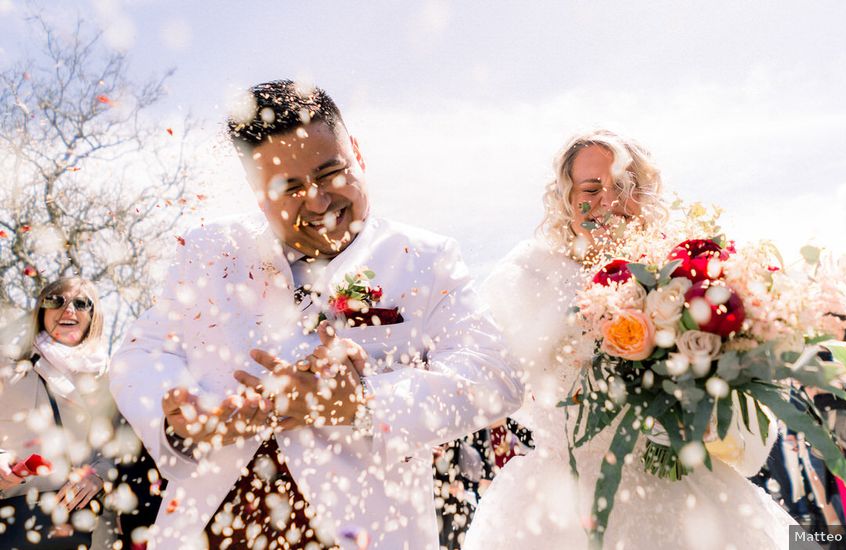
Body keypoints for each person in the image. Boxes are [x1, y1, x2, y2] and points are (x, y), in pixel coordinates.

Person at [108, 80, 523, 549]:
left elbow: (495, 377)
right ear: (257, 191)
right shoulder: (209, 250)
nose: (319, 202)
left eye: (330, 174)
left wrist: (363, 402)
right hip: (214, 526)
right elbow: (141, 351)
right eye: (290, 187)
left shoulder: (426, 259)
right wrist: (180, 411)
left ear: (357, 153)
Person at [463, 130, 795, 549]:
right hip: (563, 499)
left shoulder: (686, 270)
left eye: (623, 186)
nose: (608, 200)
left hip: (679, 484)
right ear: (566, 198)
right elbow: (502, 379)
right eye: (591, 188)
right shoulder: (530, 276)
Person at [0, 277, 114, 548]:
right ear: (42, 309)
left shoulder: (109, 378)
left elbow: (117, 445)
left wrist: (97, 476)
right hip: (10, 509)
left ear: (93, 315)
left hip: (73, 518)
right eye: (56, 300)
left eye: (81, 303)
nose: (69, 309)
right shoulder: (8, 363)